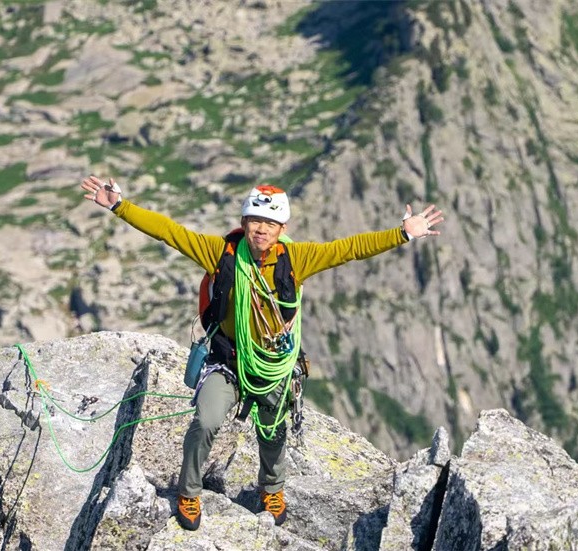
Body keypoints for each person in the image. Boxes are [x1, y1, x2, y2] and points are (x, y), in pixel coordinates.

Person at [80, 175, 443, 530]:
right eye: (255, 220)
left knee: (273, 432)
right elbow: (170, 232)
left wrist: (403, 233)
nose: (262, 229)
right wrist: (119, 206)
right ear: (244, 223)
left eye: (270, 223)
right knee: (205, 421)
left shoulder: (296, 259)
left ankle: (272, 489)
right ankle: (188, 492)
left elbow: (348, 249)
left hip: (272, 365)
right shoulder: (220, 253)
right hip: (228, 360)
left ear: (282, 228)